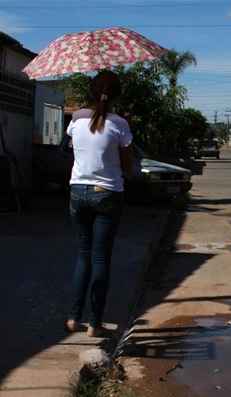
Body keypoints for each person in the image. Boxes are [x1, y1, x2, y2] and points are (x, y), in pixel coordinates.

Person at [64, 71, 135, 337]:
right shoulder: (120, 124)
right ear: (116, 95)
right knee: (100, 258)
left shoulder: (76, 121)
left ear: (91, 93)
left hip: (77, 192)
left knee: (83, 255)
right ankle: (95, 323)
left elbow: (75, 149)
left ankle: (73, 317)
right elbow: (128, 167)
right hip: (107, 194)